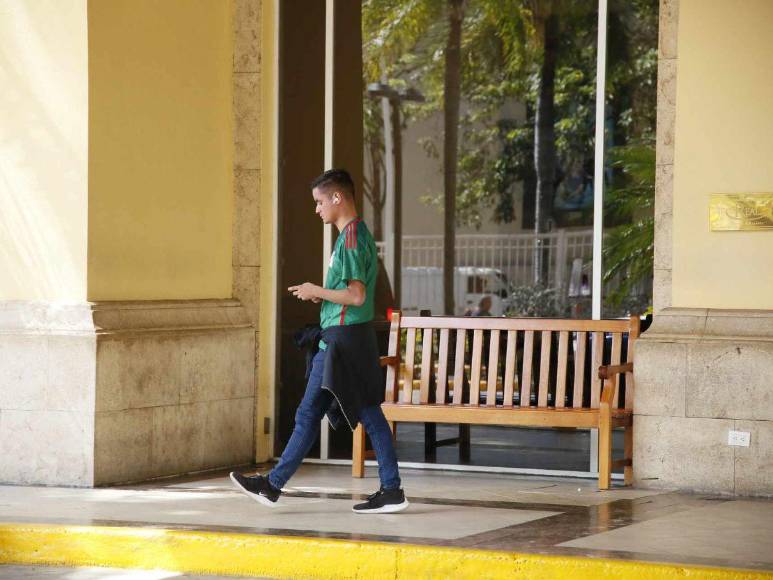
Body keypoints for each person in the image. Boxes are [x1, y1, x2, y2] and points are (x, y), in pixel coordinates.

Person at [230, 169, 408, 514]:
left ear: (337, 197)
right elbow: (352, 295)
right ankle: (390, 489)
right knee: (361, 413)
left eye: (319, 201)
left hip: (342, 342)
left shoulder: (351, 238)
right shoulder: (355, 235)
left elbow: (356, 296)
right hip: (348, 339)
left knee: (316, 413)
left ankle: (272, 486)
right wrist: (322, 296)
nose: (317, 209)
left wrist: (317, 290)